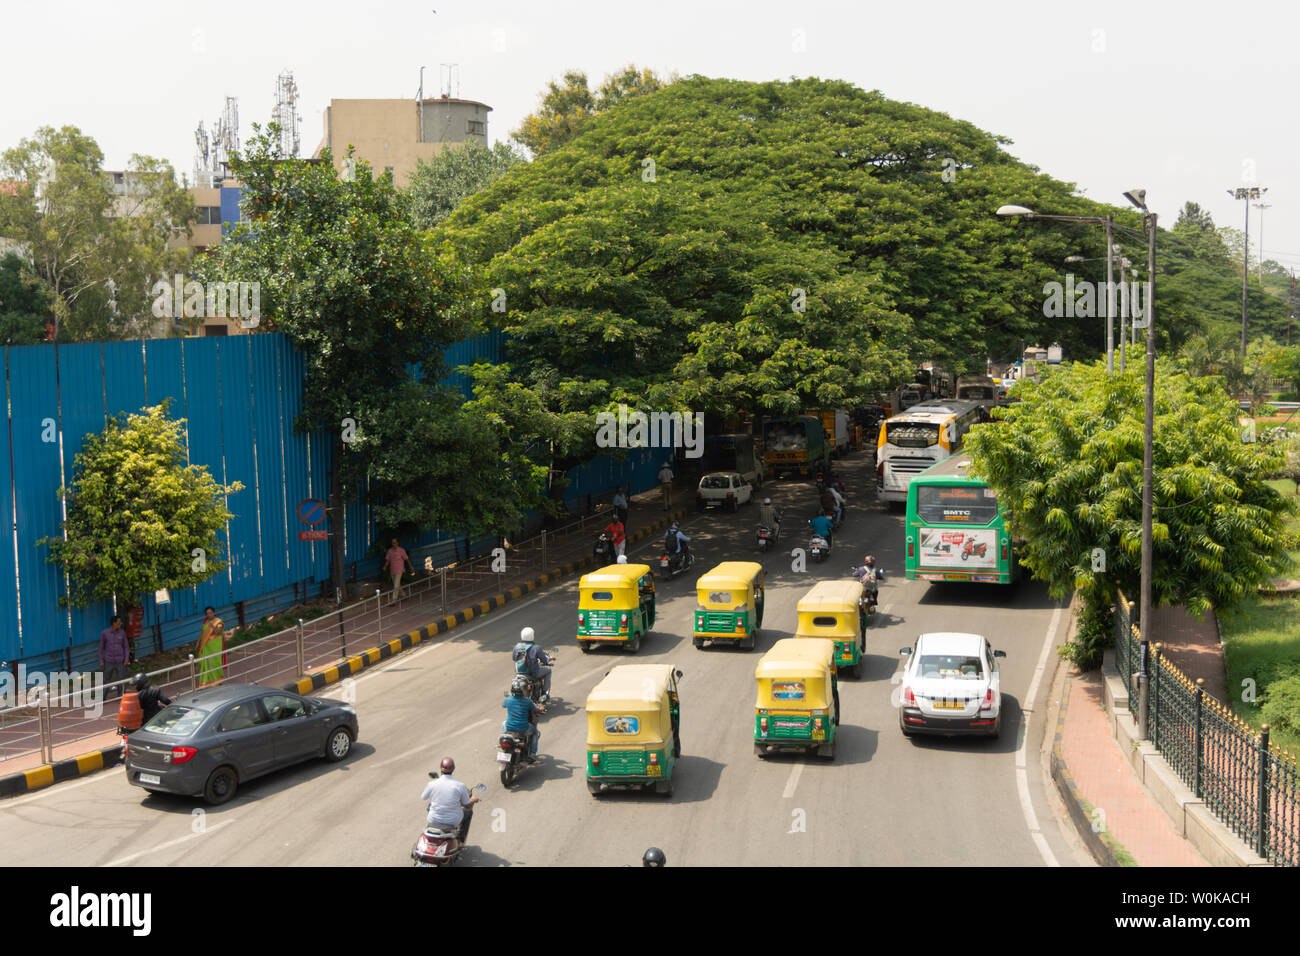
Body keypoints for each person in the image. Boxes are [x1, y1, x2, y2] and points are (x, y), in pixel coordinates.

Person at [421, 757, 480, 844]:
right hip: (452, 822)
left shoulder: (432, 784)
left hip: (432, 819)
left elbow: (423, 797)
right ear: (453, 769)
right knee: (468, 812)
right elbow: (467, 805)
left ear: (440, 768)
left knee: (430, 807)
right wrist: (473, 800)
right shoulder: (460, 786)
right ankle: (461, 841)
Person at [502, 676, 545, 761]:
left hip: (509, 727)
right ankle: (532, 754)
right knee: (535, 732)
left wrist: (509, 697)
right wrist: (541, 708)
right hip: (523, 728)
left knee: (504, 723)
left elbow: (503, 705)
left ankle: (504, 736)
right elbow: (536, 710)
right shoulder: (527, 701)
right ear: (523, 690)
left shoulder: (508, 699)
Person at [512, 626, 555, 699]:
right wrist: (549, 659)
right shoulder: (536, 647)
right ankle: (545, 693)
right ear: (532, 636)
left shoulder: (518, 646)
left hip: (519, 673)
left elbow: (514, 658)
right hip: (533, 672)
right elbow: (544, 660)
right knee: (548, 671)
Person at [99, 615, 131, 697]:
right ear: (114, 623)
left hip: (120, 660)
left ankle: (121, 696)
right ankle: (103, 697)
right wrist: (101, 661)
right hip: (108, 661)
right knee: (106, 680)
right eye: (118, 622)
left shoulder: (122, 633)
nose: (120, 624)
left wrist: (126, 658)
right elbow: (101, 648)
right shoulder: (105, 633)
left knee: (121, 679)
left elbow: (126, 647)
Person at [194, 607, 226, 687]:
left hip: (215, 647)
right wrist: (198, 642)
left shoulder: (218, 622)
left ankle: (217, 680)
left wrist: (212, 626)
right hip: (206, 646)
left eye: (211, 613)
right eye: (207, 613)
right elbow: (202, 632)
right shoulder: (205, 621)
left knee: (215, 662)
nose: (209, 615)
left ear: (214, 612)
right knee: (205, 663)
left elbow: (218, 632)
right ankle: (206, 682)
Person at [384, 538, 413, 605]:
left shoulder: (401, 550)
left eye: (395, 542)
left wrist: (410, 566)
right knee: (397, 584)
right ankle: (403, 595)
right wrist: (385, 566)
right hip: (392, 570)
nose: (394, 544)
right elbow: (388, 560)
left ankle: (393, 600)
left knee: (396, 585)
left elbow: (406, 559)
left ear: (397, 543)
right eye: (392, 543)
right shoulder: (390, 551)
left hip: (399, 569)